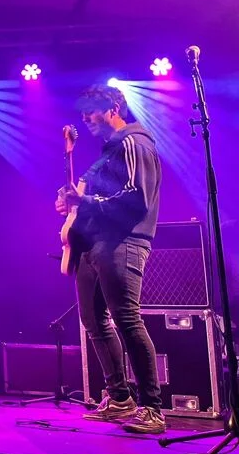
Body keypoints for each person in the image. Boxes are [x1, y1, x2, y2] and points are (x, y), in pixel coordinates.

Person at [56, 84, 164, 434]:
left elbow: (136, 199)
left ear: (113, 109)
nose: (85, 116)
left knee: (127, 319)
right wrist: (70, 201)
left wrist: (84, 202)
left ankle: (152, 408)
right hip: (93, 243)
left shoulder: (134, 143)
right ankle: (119, 398)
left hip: (123, 241)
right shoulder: (108, 153)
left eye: (92, 109)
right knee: (94, 321)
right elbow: (84, 193)